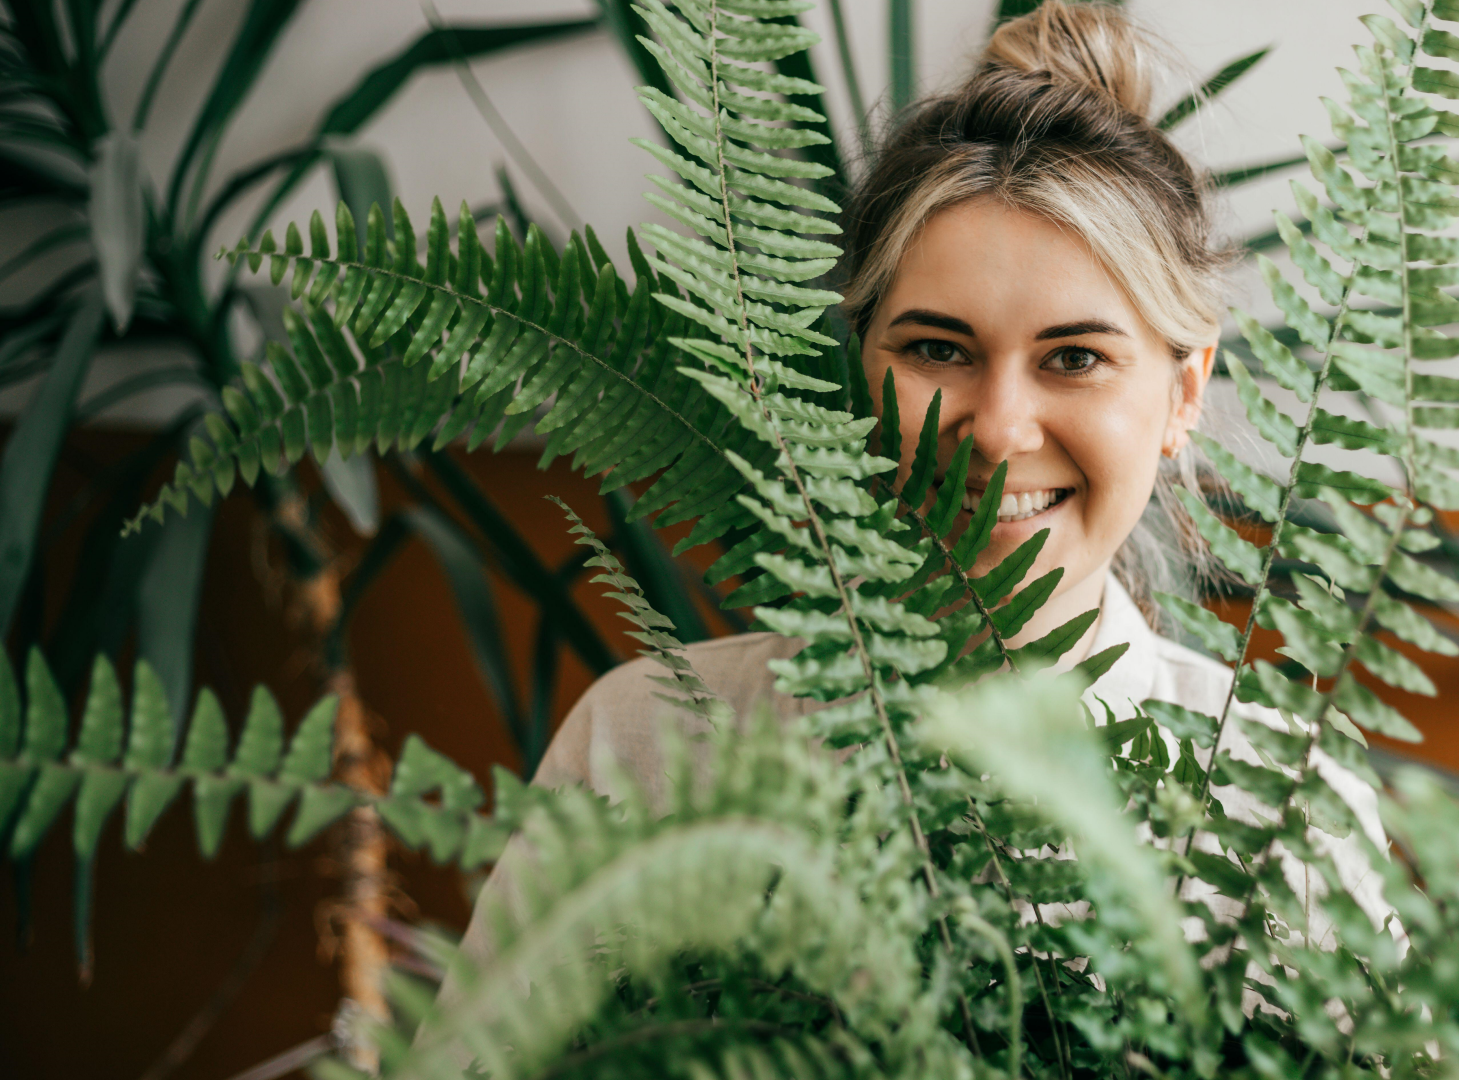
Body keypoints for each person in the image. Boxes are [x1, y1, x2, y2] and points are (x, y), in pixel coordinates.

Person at [459, 0, 1391, 972]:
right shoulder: (649, 744)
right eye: (939, 349)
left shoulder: (1281, 806)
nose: (997, 429)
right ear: (858, 366)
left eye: (1074, 359)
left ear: (1181, 394)